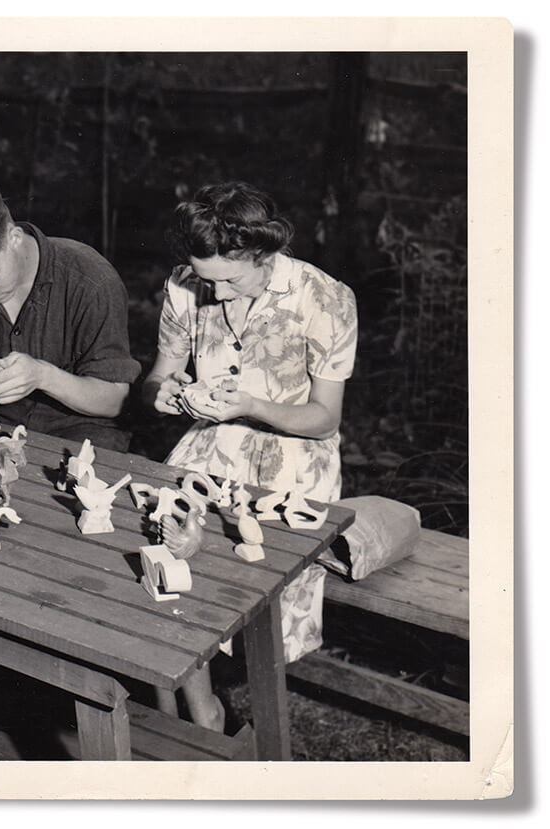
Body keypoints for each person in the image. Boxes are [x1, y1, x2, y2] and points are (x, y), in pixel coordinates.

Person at [142, 181, 358, 731]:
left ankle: (256, 727)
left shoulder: (324, 298)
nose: (214, 295)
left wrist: (255, 406)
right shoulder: (188, 284)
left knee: (257, 581)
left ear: (263, 255)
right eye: (205, 279)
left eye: (229, 279)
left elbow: (325, 418)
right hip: (211, 446)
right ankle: (194, 711)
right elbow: (160, 371)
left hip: (292, 457)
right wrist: (163, 391)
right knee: (163, 541)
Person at [0, 177, 141, 452]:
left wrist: (43, 376)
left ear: (13, 237)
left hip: (83, 432)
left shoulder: (91, 281)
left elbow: (115, 401)